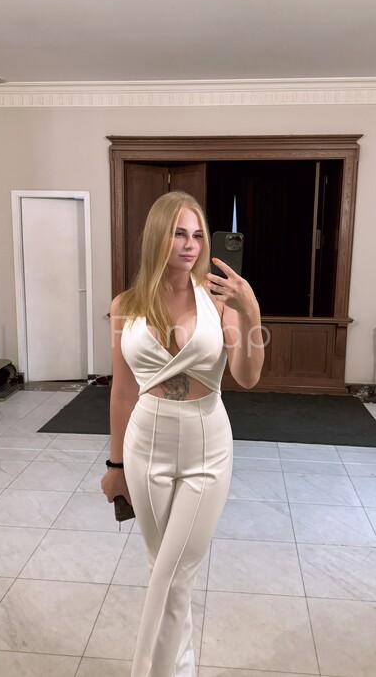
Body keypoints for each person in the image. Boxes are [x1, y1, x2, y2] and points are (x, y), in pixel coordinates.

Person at [101, 190, 264, 677]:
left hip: (207, 445)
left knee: (175, 571)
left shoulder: (219, 302)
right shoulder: (125, 306)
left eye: (197, 235)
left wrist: (250, 311)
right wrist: (115, 466)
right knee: (165, 571)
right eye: (178, 233)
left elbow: (248, 376)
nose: (191, 245)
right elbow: (122, 393)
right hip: (145, 443)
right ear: (158, 236)